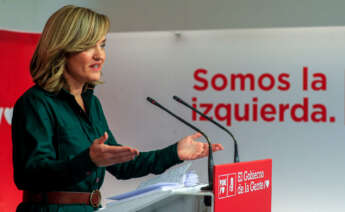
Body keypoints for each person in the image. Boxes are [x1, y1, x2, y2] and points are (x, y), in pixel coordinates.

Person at [11, 5, 224, 212]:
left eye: (102, 45)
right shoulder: (36, 103)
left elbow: (122, 166)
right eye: (89, 46)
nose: (100, 56)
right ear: (63, 50)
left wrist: (174, 153)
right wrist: (88, 160)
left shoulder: (91, 104)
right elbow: (30, 174)